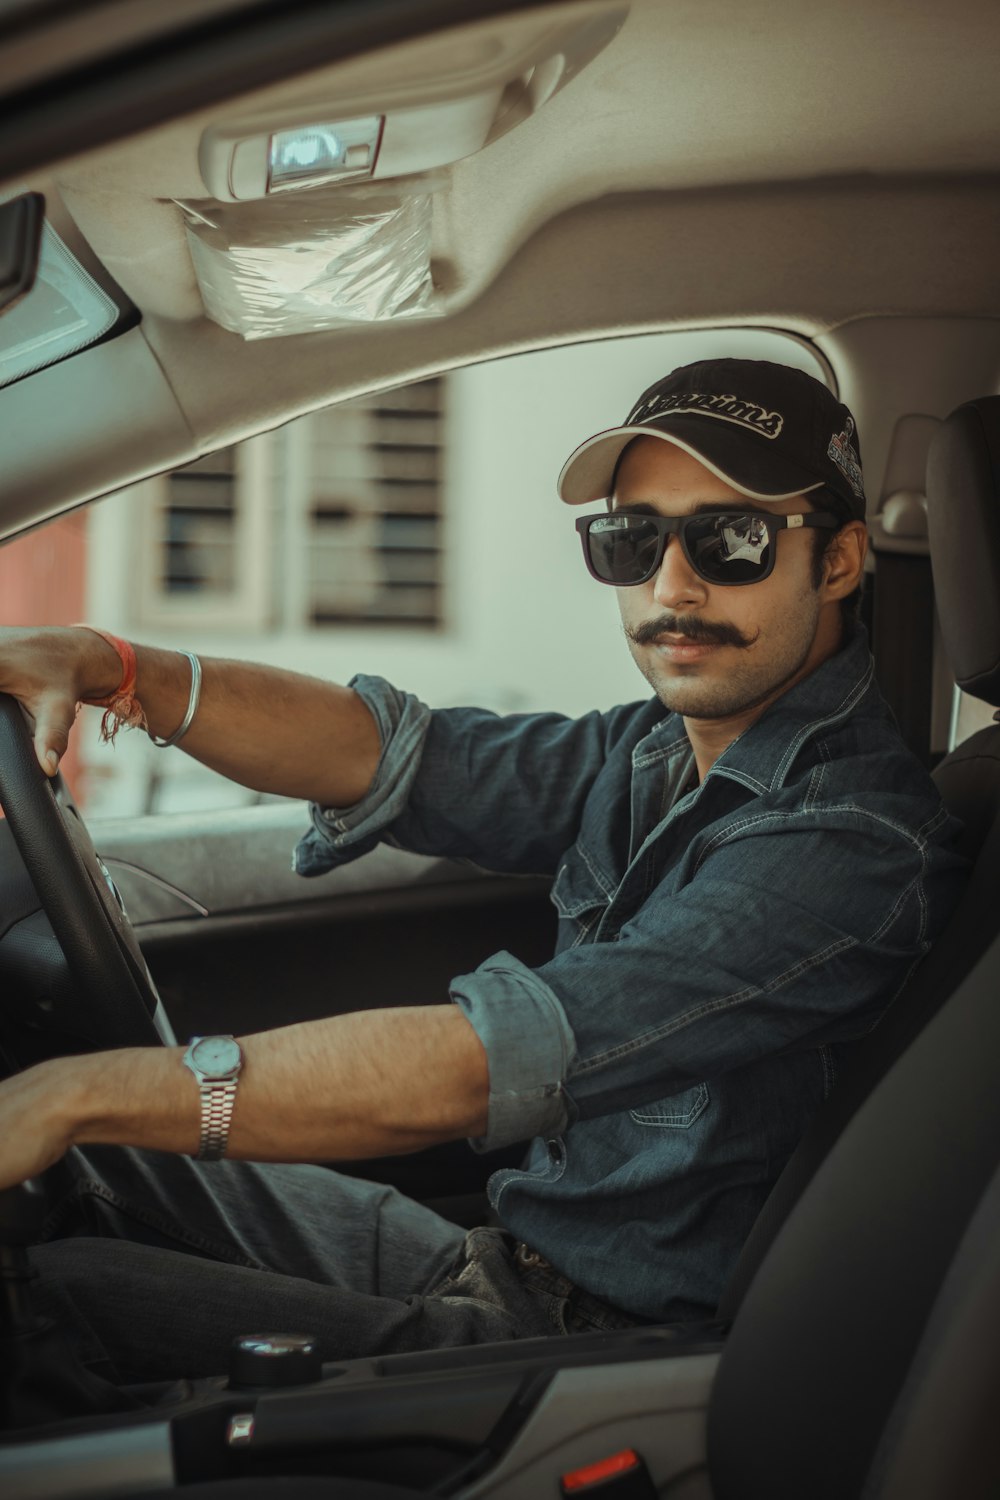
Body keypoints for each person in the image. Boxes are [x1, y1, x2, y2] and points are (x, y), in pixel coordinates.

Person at [0, 359, 967, 1383]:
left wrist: (74, 1092)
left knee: (46, 1303)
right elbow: (388, 755)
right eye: (631, 540)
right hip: (504, 1262)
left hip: (593, 1348)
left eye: (733, 541)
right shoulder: (655, 749)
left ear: (840, 560)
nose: (671, 588)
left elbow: (480, 1062)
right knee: (100, 1150)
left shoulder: (847, 845)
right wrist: (112, 664)